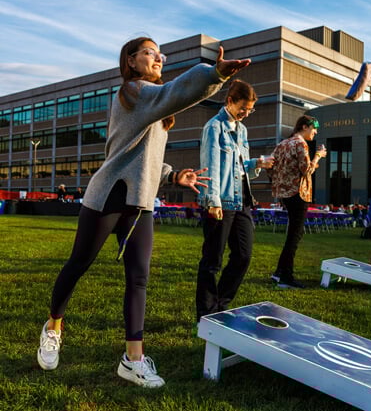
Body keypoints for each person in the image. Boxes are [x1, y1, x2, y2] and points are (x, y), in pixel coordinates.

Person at [36, 36, 250, 388]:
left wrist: (172, 175)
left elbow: (144, 157)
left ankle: (132, 360)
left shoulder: (155, 109)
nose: (159, 58)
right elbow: (176, 93)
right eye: (150, 52)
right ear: (131, 61)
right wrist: (214, 75)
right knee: (78, 264)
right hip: (107, 198)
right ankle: (54, 326)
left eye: (159, 53)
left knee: (139, 279)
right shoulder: (133, 93)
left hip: (140, 203)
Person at [196, 80, 272, 322]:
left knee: (243, 255)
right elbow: (211, 167)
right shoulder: (213, 127)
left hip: (242, 201)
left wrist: (257, 164)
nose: (246, 113)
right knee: (212, 259)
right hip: (220, 200)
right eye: (243, 108)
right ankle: (206, 313)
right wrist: (213, 201)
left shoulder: (242, 130)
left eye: (250, 110)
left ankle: (221, 303)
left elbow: (240, 167)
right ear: (229, 101)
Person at [268, 115, 327, 289]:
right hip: (298, 193)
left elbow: (270, 166)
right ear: (304, 127)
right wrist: (318, 156)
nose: (315, 132)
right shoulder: (301, 144)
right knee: (295, 234)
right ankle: (286, 276)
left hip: (284, 193)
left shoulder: (282, 144)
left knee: (294, 233)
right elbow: (307, 170)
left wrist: (279, 182)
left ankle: (279, 272)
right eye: (314, 128)